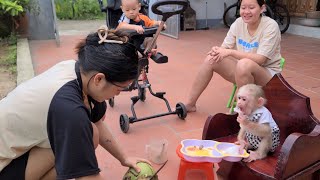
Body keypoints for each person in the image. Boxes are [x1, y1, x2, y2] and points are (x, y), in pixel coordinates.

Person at [0, 26, 150, 180]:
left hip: (16, 148)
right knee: (81, 137)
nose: (119, 93)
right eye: (121, 88)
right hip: (4, 165)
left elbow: (97, 122)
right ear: (99, 79)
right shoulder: (69, 108)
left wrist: (123, 158)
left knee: (90, 133)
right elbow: (87, 177)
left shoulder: (82, 73)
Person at [185, 0, 282, 112]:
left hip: (268, 77)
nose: (246, 11)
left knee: (243, 64)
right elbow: (225, 48)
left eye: (251, 7)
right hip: (243, 71)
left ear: (262, 8)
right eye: (243, 7)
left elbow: (260, 59)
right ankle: (190, 104)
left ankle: (242, 113)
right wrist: (217, 51)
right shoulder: (238, 23)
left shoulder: (270, 26)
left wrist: (231, 52)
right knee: (212, 59)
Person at [234, 84, 280, 162]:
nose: (239, 103)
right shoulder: (246, 110)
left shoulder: (263, 112)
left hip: (269, 141)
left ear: (259, 102)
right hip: (256, 138)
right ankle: (251, 145)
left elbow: (266, 131)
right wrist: (241, 139)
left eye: (244, 99)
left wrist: (247, 124)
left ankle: (260, 153)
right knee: (247, 128)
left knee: (268, 135)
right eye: (239, 98)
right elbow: (243, 128)